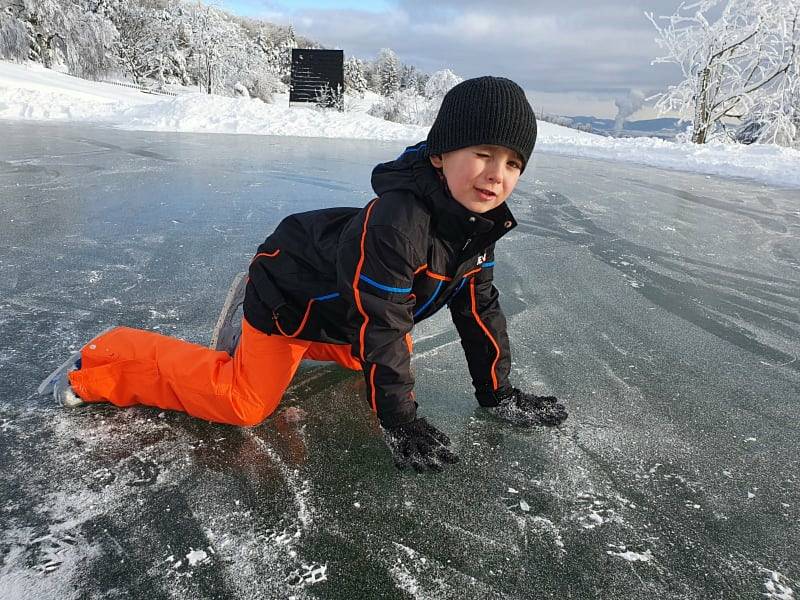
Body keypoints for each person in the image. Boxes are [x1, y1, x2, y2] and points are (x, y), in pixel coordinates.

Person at [39, 76, 568, 472]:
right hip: (287, 300)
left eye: (513, 163)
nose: (497, 174)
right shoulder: (397, 224)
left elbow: (480, 310)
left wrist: (496, 393)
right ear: (440, 154)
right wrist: (400, 423)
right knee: (244, 405)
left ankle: (283, 348)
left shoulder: (476, 229)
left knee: (388, 358)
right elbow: (382, 322)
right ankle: (107, 358)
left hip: (342, 310)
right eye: (482, 154)